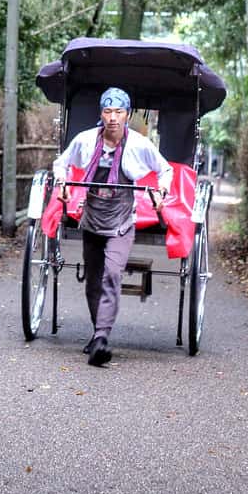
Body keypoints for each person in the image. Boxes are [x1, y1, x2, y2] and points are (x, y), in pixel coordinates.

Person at [52, 86, 173, 367]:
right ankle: (98, 335)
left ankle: (102, 337)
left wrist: (161, 190)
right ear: (101, 114)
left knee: (111, 275)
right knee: (93, 279)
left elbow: (164, 169)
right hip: (92, 218)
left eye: (119, 111)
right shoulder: (85, 140)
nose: (113, 117)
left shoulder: (139, 144)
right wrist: (62, 185)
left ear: (128, 115)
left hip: (121, 221)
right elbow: (62, 163)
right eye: (107, 111)